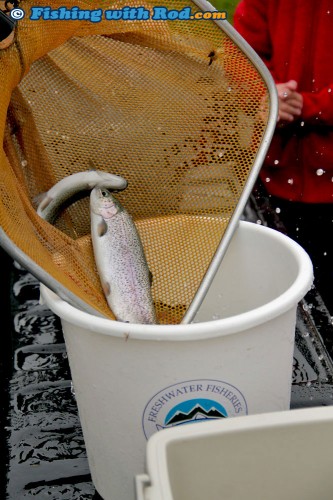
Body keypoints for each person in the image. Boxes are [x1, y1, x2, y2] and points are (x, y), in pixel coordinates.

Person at [234, 0, 333, 315]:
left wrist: (308, 105)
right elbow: (240, 57)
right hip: (272, 178)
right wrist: (268, 94)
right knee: (281, 296)